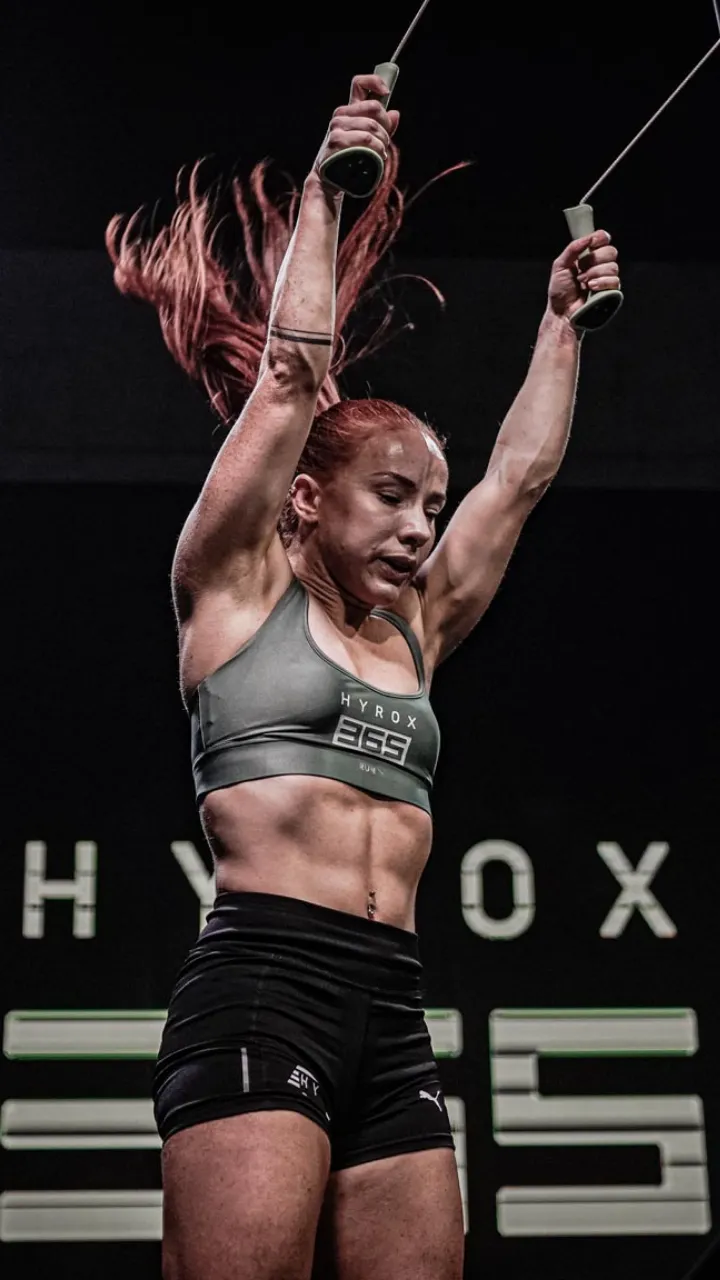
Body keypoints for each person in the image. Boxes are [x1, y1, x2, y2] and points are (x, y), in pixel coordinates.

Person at [106, 73, 620, 1280]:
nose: (417, 526)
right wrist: (333, 195)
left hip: (391, 1006)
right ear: (304, 497)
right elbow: (291, 372)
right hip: (259, 986)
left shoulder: (417, 629)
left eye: (426, 504)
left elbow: (520, 481)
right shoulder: (230, 594)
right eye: (391, 496)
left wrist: (561, 326)